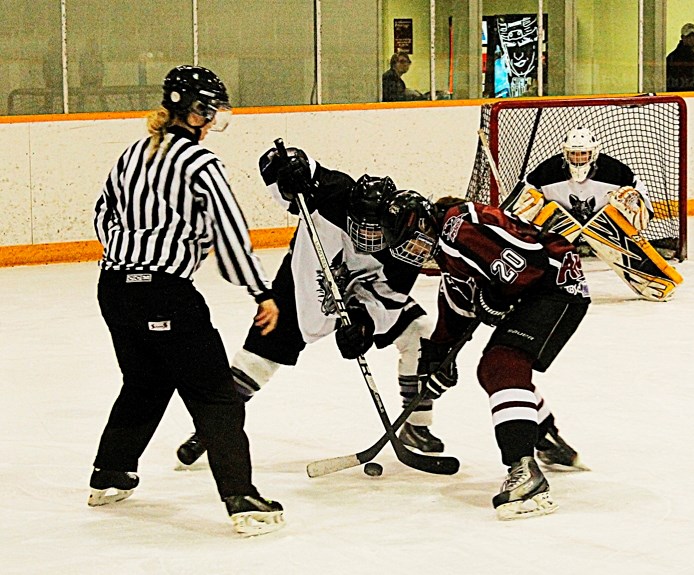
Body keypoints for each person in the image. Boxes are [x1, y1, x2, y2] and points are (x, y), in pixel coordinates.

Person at [89, 65, 284, 537]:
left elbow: (102, 215)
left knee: (144, 382)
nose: (216, 117)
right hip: (165, 294)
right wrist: (260, 290)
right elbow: (230, 233)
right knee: (215, 394)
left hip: (114, 290)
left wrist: (128, 254)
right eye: (211, 108)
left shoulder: (132, 154)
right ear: (196, 111)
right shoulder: (201, 165)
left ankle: (110, 474)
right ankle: (242, 498)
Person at [175, 148, 447, 467]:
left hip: (357, 295)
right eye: (361, 229)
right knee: (255, 362)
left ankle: (417, 425)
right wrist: (287, 169)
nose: (366, 239)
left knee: (420, 333)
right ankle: (209, 429)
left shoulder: (403, 250)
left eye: (376, 234)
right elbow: (289, 169)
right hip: (300, 287)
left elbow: (386, 299)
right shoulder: (334, 193)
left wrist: (364, 324)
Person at [379, 191, 591, 520]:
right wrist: (438, 358)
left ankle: (525, 470)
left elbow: (530, 263)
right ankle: (542, 435)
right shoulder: (449, 249)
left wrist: (498, 293)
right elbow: (457, 305)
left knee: (502, 364)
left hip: (556, 286)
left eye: (415, 241)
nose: (417, 253)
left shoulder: (459, 228)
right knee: (492, 371)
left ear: (426, 224)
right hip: (543, 288)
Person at [517, 126, 654, 229]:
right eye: (573, 153)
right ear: (565, 153)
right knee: (531, 200)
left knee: (625, 197)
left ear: (593, 153)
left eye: (583, 153)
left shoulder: (614, 170)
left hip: (606, 230)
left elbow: (641, 196)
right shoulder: (548, 170)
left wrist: (637, 205)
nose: (578, 158)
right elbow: (524, 191)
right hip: (559, 230)